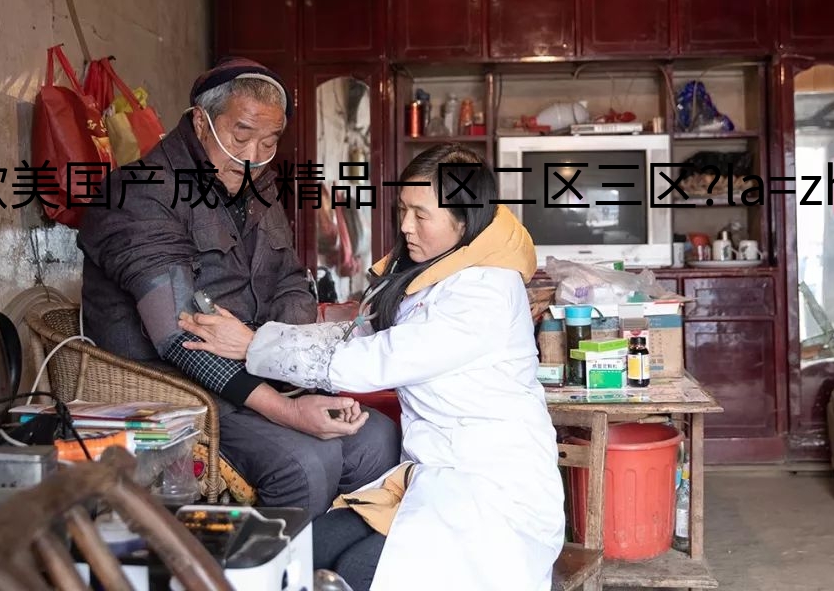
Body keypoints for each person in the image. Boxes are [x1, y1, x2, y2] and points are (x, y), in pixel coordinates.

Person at [178, 143, 565, 591]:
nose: (405, 226)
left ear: (464, 220)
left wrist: (251, 345)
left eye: (422, 215)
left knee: (355, 573)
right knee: (305, 553)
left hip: (490, 492)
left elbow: (374, 360)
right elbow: (359, 336)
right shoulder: (439, 270)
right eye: (403, 209)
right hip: (434, 477)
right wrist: (261, 338)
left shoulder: (485, 292)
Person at [77, 58, 400, 518]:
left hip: (258, 374)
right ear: (200, 123)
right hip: (179, 392)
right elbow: (180, 337)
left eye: (268, 142)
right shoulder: (138, 193)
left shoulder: (259, 186)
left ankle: (326, 572)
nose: (253, 156)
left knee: (377, 438)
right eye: (241, 136)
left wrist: (278, 356)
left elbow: (290, 278)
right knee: (306, 464)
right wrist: (288, 411)